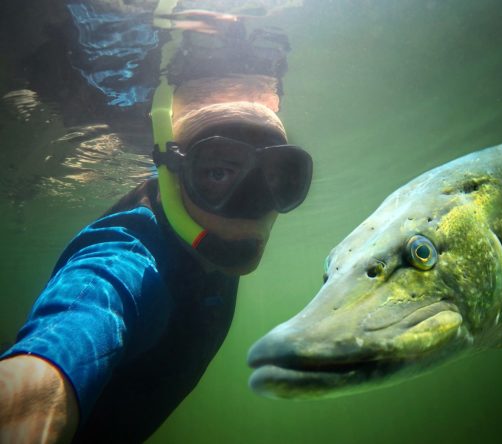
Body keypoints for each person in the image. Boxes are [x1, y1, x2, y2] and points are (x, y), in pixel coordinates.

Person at [0, 5, 312, 443]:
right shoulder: (125, 261)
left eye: (279, 176)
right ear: (171, 174)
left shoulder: (211, 236)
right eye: (219, 172)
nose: (253, 206)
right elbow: (74, 324)